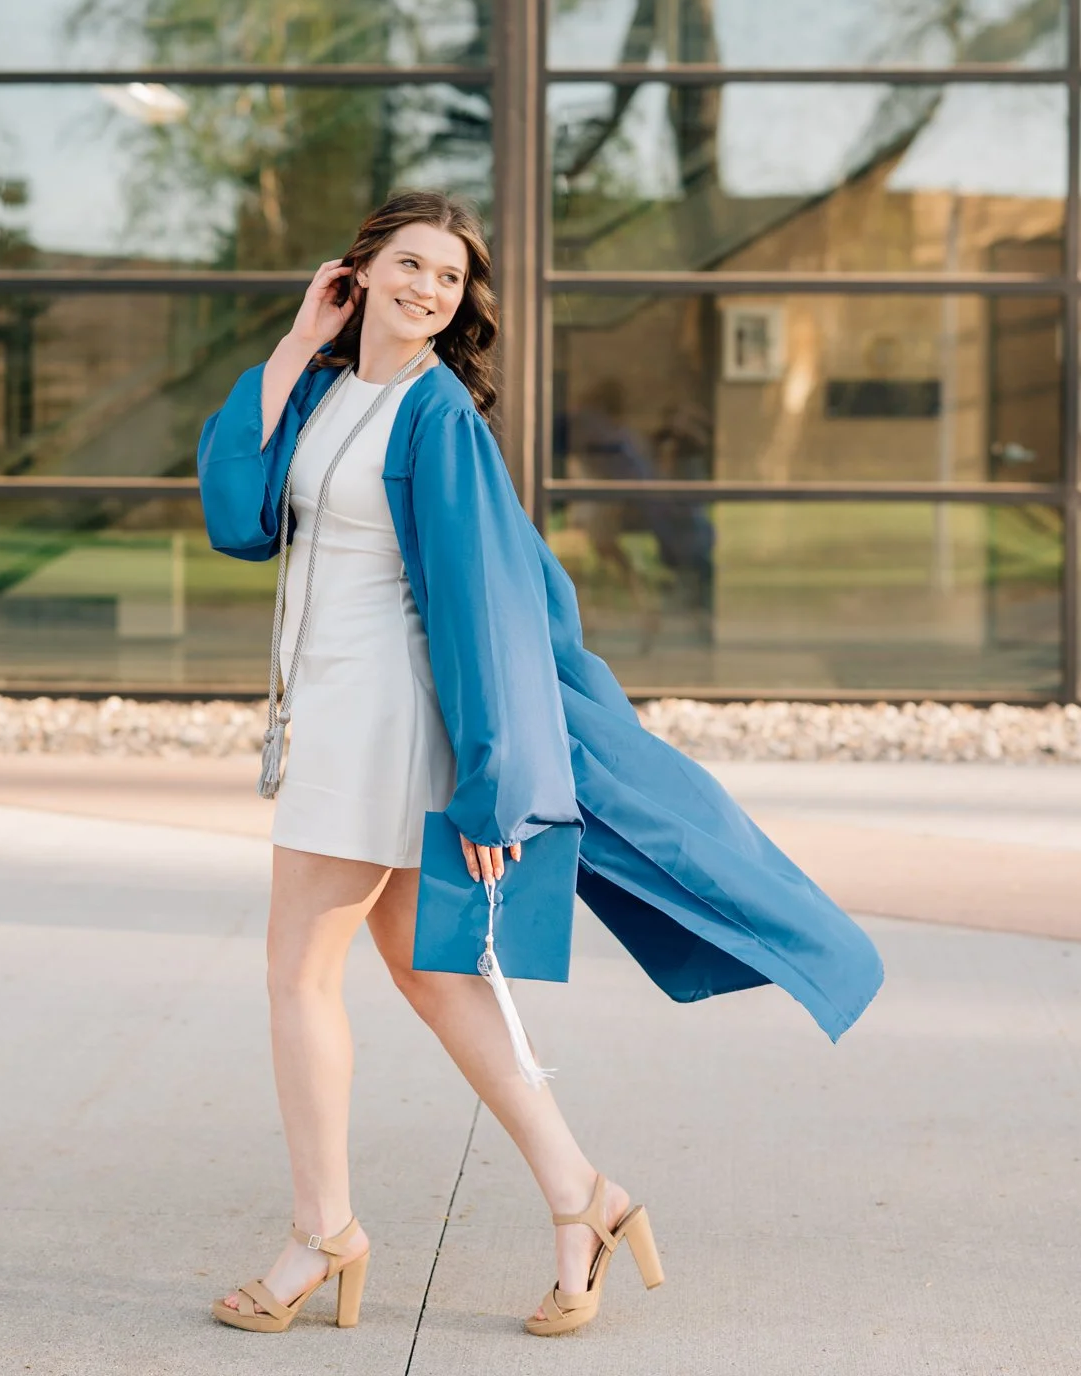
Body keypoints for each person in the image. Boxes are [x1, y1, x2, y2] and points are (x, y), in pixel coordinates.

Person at [197, 189, 881, 1339]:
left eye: (448, 276)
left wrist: (493, 787)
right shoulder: (321, 388)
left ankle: (324, 1231)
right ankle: (586, 1197)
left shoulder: (437, 417)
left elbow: (487, 608)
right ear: (358, 268)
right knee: (432, 973)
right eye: (409, 263)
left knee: (297, 974)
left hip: (383, 726)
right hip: (341, 715)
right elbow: (238, 512)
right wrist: (297, 339)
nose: (427, 288)